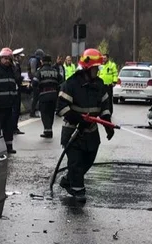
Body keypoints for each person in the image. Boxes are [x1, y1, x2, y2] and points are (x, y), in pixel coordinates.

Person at [56, 48, 114, 201]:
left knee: (89, 159)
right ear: (88, 68)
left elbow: (105, 107)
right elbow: (61, 108)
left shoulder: (100, 85)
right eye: (96, 68)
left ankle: (68, 180)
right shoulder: (71, 84)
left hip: (91, 132)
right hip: (73, 131)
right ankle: (78, 190)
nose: (98, 70)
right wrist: (78, 119)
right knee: (75, 162)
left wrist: (108, 125)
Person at [31, 55, 63, 138]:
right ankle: (49, 130)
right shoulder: (55, 71)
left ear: (42, 62)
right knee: (51, 113)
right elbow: (62, 81)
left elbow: (34, 83)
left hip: (43, 95)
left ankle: (47, 131)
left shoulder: (40, 71)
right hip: (53, 95)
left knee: (44, 114)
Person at [12, 48, 26, 135]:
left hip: (15, 89)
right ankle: (14, 127)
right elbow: (17, 78)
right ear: (16, 57)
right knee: (16, 110)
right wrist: (22, 79)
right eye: (20, 57)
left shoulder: (15, 65)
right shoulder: (16, 66)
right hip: (16, 90)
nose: (21, 59)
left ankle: (14, 127)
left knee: (16, 110)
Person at [28, 49, 45, 117]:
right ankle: (32, 112)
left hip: (35, 80)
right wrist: (35, 79)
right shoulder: (34, 60)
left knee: (36, 97)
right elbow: (33, 72)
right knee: (35, 97)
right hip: (35, 81)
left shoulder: (34, 60)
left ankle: (34, 111)